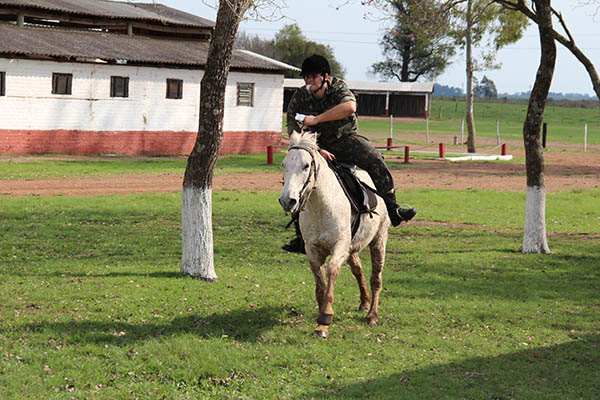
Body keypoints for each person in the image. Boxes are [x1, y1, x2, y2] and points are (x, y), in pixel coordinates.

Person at [282, 54, 416, 254]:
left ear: (325, 77)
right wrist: (316, 150)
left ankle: (393, 208)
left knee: (373, 157)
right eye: (306, 77)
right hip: (317, 146)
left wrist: (317, 119)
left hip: (345, 140)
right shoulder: (300, 96)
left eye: (313, 77)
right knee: (299, 176)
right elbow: (292, 128)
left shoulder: (337, 87)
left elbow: (350, 107)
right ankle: (301, 236)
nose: (308, 81)